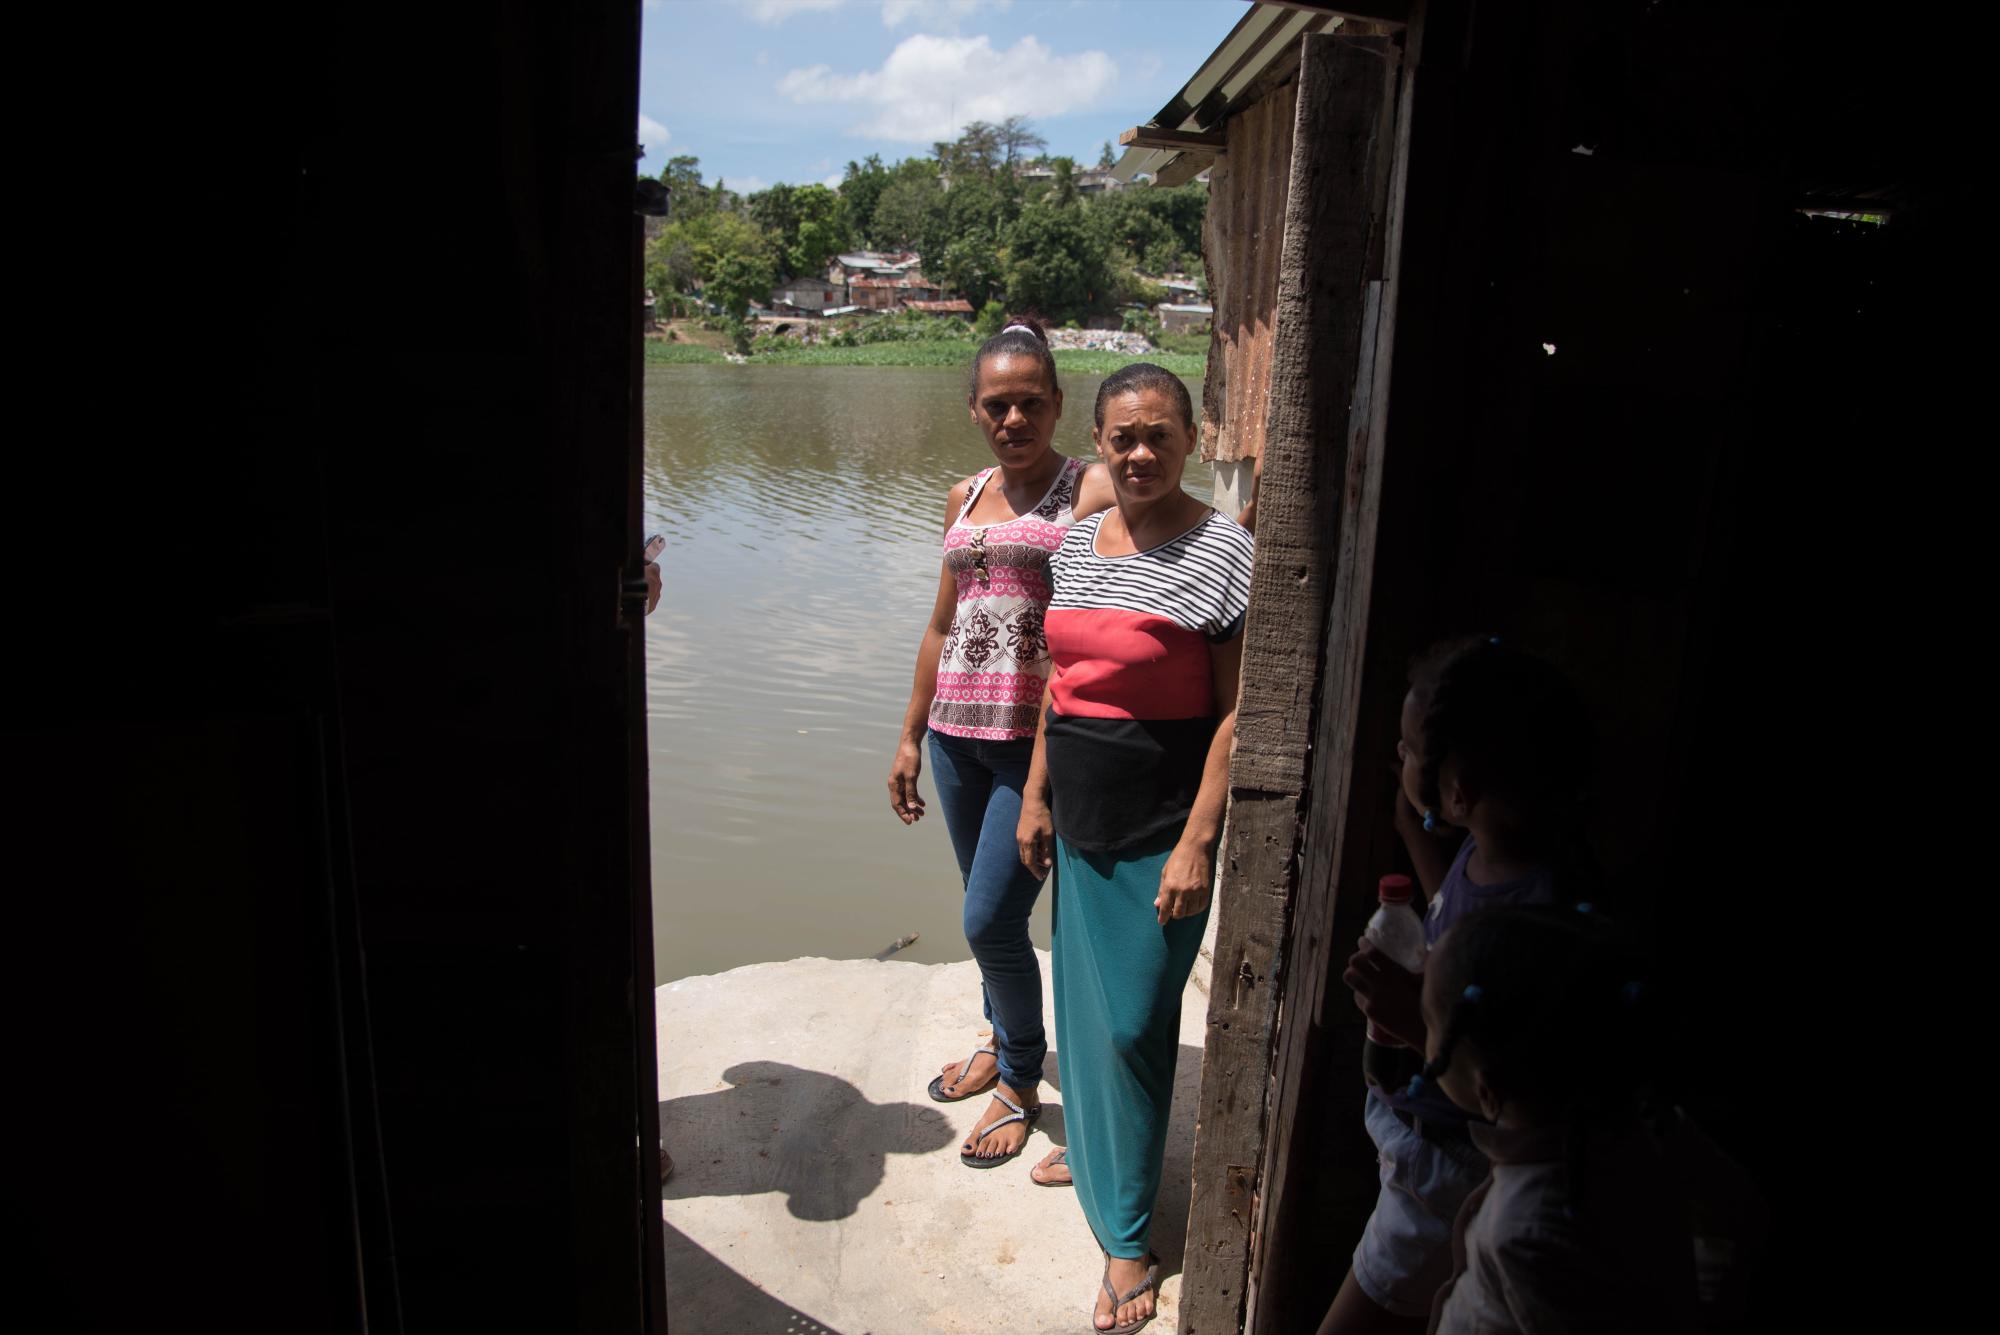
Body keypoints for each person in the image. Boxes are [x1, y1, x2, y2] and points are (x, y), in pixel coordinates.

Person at [1017, 362, 1255, 1334]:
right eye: (1122, 437)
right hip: (1077, 814)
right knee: (1081, 1000)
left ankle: (1126, 1244)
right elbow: (1057, 685)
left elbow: (1240, 714)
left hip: (1161, 824)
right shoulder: (1072, 546)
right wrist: (1033, 797)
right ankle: (1103, 1145)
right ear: (1100, 443)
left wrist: (1199, 840)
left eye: (1158, 433)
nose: (1140, 453)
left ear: (1192, 437)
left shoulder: (1224, 552)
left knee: (1133, 1026)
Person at [886, 317, 1114, 1169]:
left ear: (1057, 405)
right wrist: (909, 735)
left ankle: (1020, 1071)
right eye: (996, 405)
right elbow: (942, 623)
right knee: (993, 919)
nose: (1013, 419)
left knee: (988, 918)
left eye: (1029, 403)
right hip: (955, 738)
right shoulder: (964, 495)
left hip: (1032, 745)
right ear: (975, 411)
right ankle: (1001, 1032)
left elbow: (1155, 532)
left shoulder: (1086, 489)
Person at [1322, 638, 1597, 1333]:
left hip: (1448, 1161)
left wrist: (1410, 1020)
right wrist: (1412, 836)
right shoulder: (1492, 848)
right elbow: (1460, 917)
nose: (1400, 758)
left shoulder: (1536, 909)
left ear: (1457, 787)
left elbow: (1503, 1071)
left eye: (1410, 750)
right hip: (1421, 1134)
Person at [1414, 903, 1698, 1333]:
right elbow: (1740, 1217)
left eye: (1428, 1023)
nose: (1425, 1038)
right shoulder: (1650, 1121)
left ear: (1488, 1092)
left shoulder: (1526, 1231)